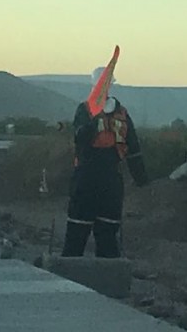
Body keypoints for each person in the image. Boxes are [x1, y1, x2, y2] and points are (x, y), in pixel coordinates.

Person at [61, 94, 147, 258]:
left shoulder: (119, 113)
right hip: (90, 179)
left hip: (106, 180)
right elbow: (80, 137)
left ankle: (107, 278)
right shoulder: (86, 110)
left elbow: (133, 148)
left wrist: (141, 180)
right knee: (77, 235)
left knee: (106, 237)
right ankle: (69, 275)